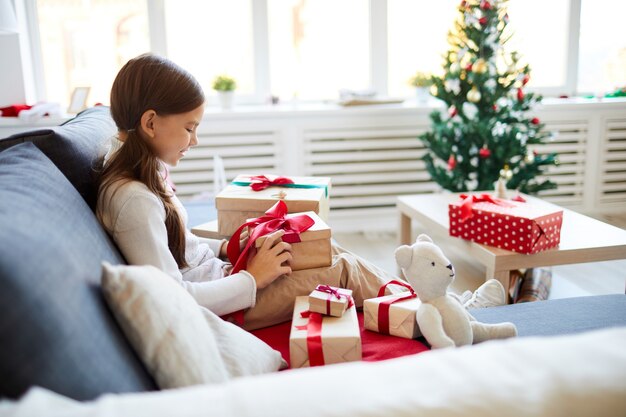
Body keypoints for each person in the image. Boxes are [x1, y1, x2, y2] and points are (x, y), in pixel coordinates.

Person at [96, 53, 506, 331]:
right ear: (150, 123)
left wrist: (235, 244)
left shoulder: (144, 175)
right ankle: (452, 319)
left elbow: (181, 252)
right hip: (231, 305)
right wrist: (252, 277)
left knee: (329, 249)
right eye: (189, 127)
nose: (195, 140)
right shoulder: (133, 200)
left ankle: (437, 305)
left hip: (227, 276)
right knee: (341, 271)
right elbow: (176, 300)